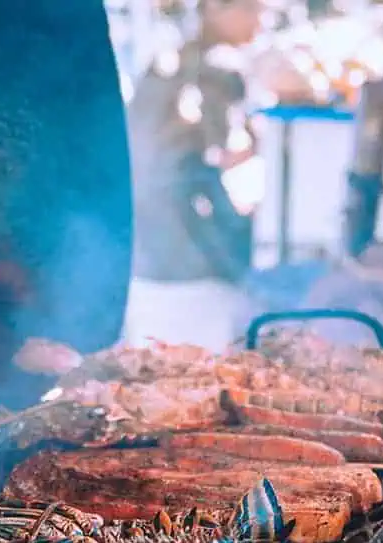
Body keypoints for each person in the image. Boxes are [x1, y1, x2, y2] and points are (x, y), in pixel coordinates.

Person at [122, 0, 264, 353]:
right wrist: (256, 143)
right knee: (204, 368)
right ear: (214, 8)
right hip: (194, 250)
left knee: (152, 365)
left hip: (146, 251)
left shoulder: (168, 62)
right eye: (250, 8)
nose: (259, 19)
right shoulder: (215, 72)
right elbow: (220, 152)